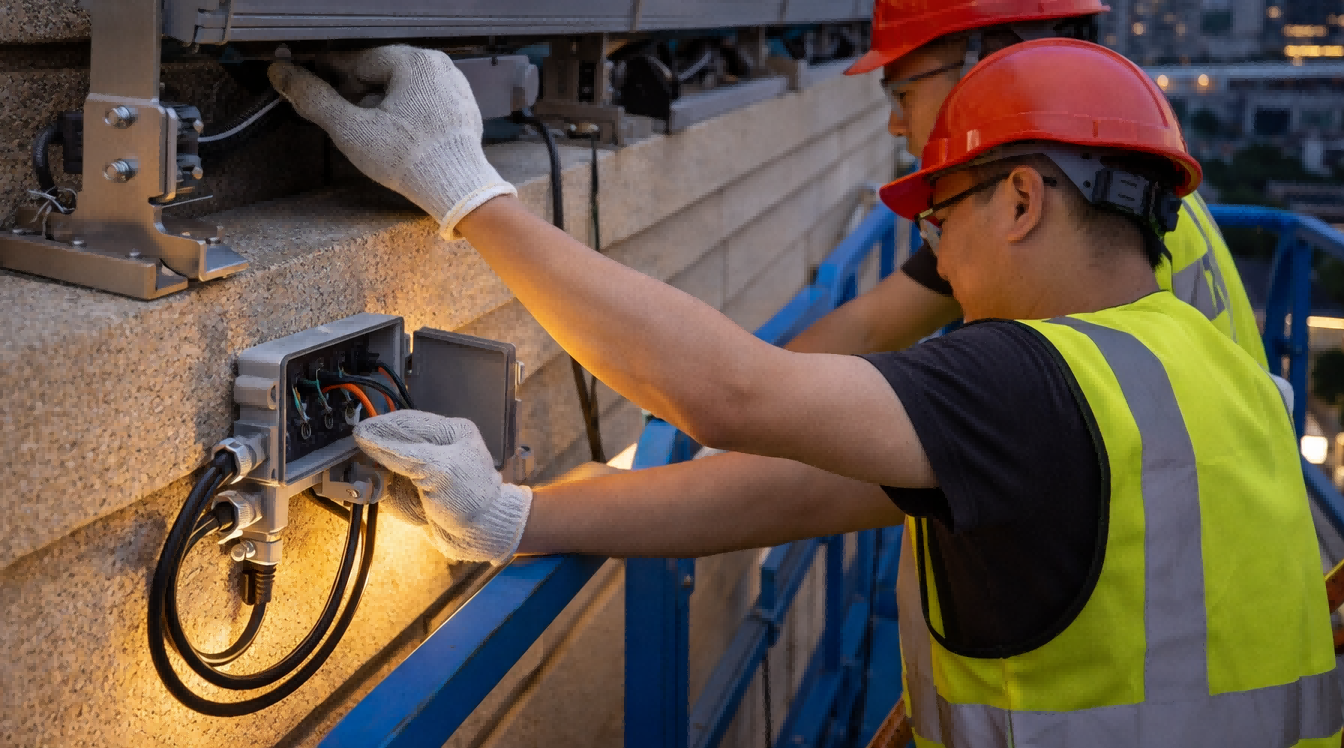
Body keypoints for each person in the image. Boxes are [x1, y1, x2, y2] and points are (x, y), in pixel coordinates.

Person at [269, 38, 1339, 747]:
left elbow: (728, 395)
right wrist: (519, 515)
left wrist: (468, 191)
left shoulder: (1029, 377)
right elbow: (806, 489)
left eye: (940, 218)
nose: (937, 259)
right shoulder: (1215, 371)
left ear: (1021, 199)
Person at [787, 0, 1266, 368]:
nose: (896, 123)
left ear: (989, 66)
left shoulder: (1050, 227)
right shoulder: (1117, 175)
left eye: (903, 94)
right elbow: (873, 327)